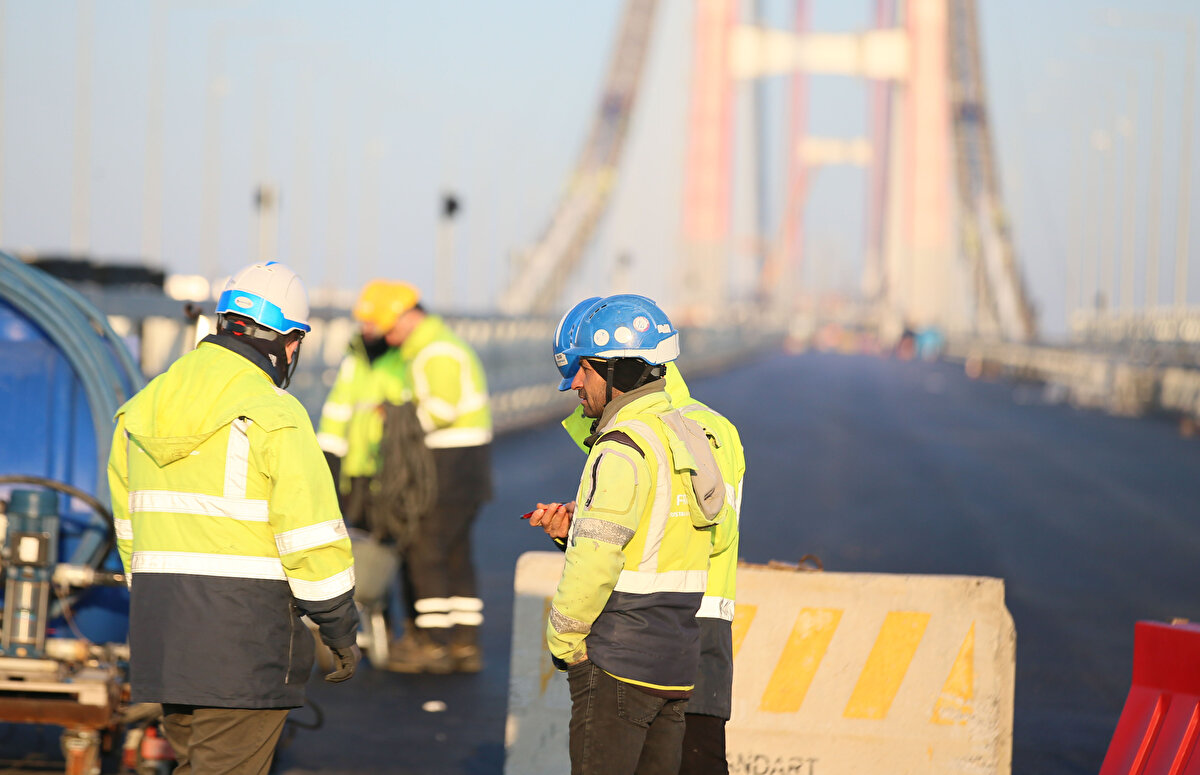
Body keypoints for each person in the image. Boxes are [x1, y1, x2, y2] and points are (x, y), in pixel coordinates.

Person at [107, 261, 360, 775]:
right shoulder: (275, 413)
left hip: (164, 636)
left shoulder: (139, 409)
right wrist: (339, 627)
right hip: (244, 644)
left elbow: (130, 534)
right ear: (289, 342)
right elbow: (311, 539)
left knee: (196, 764)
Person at [532, 296, 746, 774]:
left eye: (581, 372)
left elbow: (597, 559)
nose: (576, 388)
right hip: (679, 655)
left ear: (610, 371)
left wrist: (565, 644)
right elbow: (710, 536)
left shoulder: (625, 446)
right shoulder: (689, 435)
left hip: (619, 656)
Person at [344, 280, 493, 674]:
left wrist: (393, 419)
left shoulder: (435, 351)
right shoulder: (433, 345)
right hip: (466, 464)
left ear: (410, 316)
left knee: (425, 547)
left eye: (390, 327)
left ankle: (431, 643)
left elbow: (440, 408)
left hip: (447, 462)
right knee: (455, 552)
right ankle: (463, 642)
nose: (387, 336)